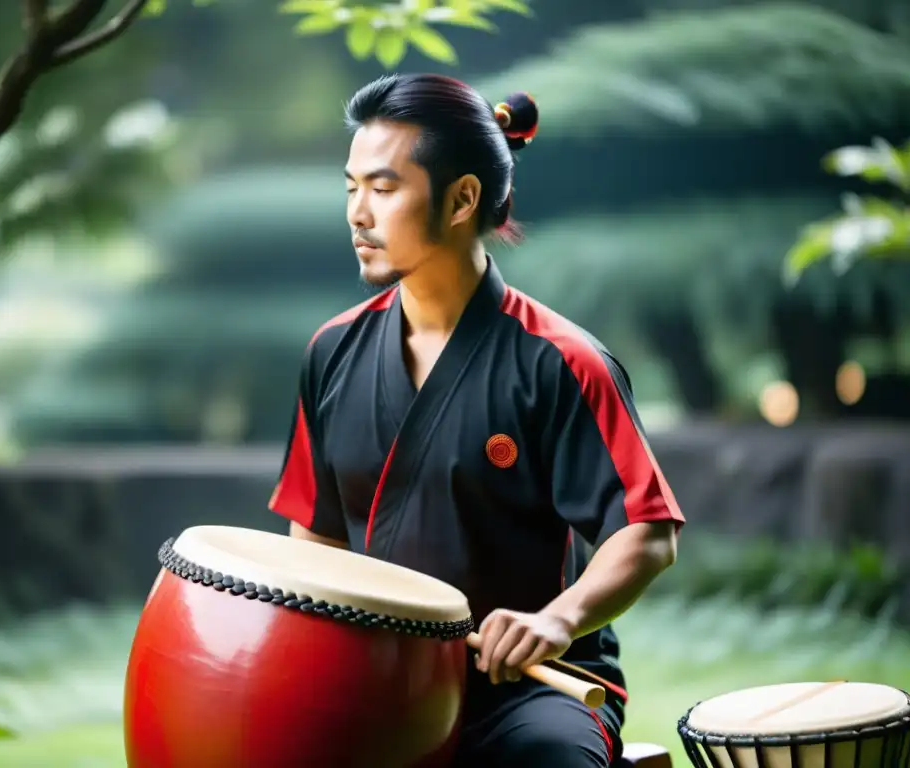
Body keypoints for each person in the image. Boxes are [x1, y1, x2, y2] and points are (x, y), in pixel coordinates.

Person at [268, 73, 684, 767]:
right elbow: (315, 544)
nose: (358, 214)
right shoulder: (331, 351)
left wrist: (556, 621)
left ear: (462, 198)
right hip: (378, 684)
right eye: (351, 188)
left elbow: (646, 533)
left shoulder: (562, 361)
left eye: (384, 188)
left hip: (529, 692)